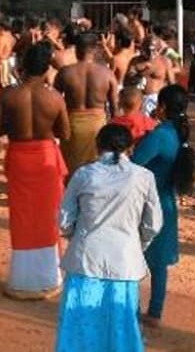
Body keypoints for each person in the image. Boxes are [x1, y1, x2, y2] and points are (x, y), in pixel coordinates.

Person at [55, 124, 162, 352]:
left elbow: (64, 220)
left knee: (79, 330)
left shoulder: (84, 175)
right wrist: (138, 245)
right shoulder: (144, 177)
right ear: (130, 148)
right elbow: (153, 224)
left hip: (85, 263)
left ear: (98, 146)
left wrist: (78, 237)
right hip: (125, 263)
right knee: (122, 330)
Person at [0, 41, 69, 300]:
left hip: (19, 156)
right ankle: (47, 277)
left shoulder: (8, 95)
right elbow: (65, 133)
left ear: (22, 66)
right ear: (47, 69)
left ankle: (22, 279)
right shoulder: (54, 98)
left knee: (21, 216)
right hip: (46, 158)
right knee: (48, 216)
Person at [132, 84, 195, 325]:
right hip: (166, 201)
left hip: (148, 202)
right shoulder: (177, 134)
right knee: (159, 262)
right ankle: (155, 312)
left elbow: (134, 164)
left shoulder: (159, 136)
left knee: (133, 254)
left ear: (161, 107)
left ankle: (131, 309)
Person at [55, 32, 117, 177]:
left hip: (71, 126)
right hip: (97, 127)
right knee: (95, 171)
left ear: (76, 50)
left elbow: (55, 103)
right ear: (96, 49)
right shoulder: (107, 74)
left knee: (71, 172)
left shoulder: (65, 72)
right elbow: (114, 108)